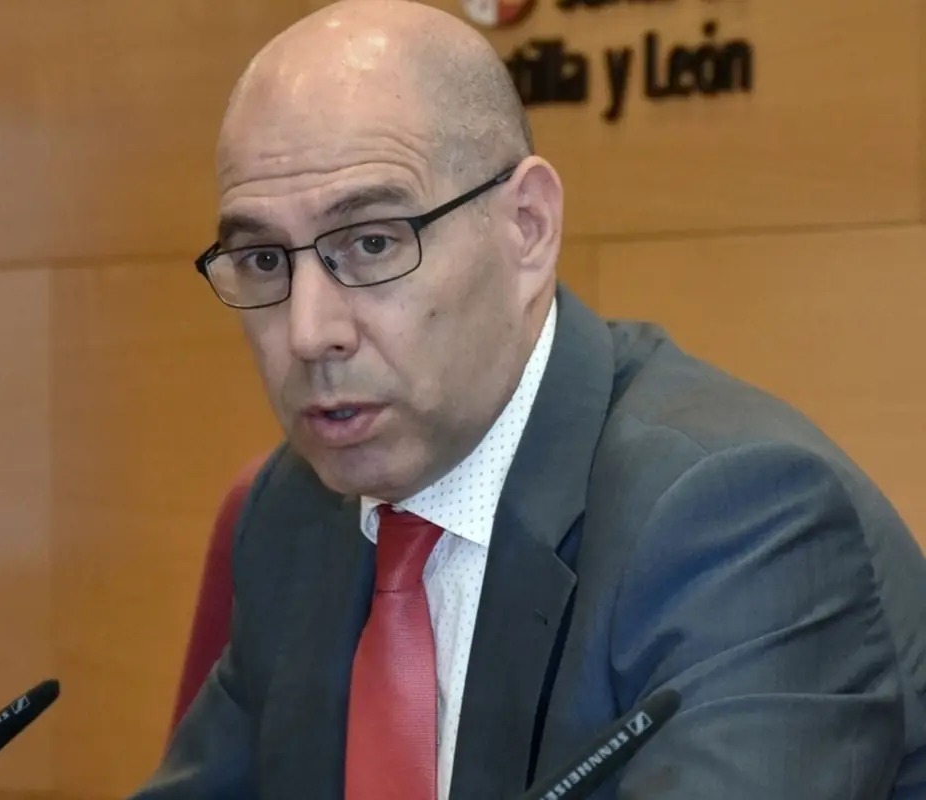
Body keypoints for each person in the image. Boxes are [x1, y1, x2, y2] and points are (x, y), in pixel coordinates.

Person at [132, 0, 926, 796]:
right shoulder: (295, 512)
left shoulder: (736, 522)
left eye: (372, 243)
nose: (309, 332)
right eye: (264, 260)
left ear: (527, 228)